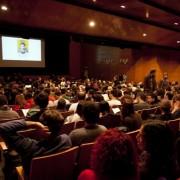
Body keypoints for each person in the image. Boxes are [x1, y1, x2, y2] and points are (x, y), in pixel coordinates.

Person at [0, 109, 72, 176]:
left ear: (44, 128)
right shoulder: (66, 139)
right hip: (56, 175)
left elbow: (2, 127)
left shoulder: (28, 146)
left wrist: (33, 123)